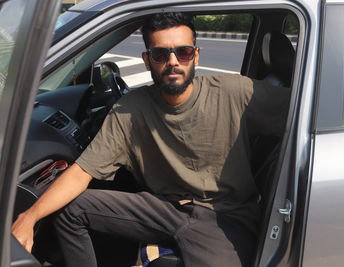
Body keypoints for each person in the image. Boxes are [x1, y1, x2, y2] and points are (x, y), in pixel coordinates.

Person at [12, 12, 290, 267]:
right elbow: (82, 172)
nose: (172, 62)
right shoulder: (131, 109)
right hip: (165, 210)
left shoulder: (235, 93)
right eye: (160, 54)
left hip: (225, 218)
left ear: (196, 55)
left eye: (183, 52)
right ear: (147, 60)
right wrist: (29, 217)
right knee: (71, 211)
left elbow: (311, 111)